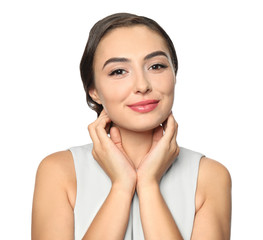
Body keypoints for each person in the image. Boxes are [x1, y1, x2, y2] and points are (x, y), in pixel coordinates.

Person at [31, 13, 232, 240]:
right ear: (94, 91)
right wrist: (121, 185)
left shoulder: (210, 176)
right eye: (118, 71)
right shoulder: (59, 171)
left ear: (174, 75)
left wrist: (148, 186)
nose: (142, 85)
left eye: (156, 66)